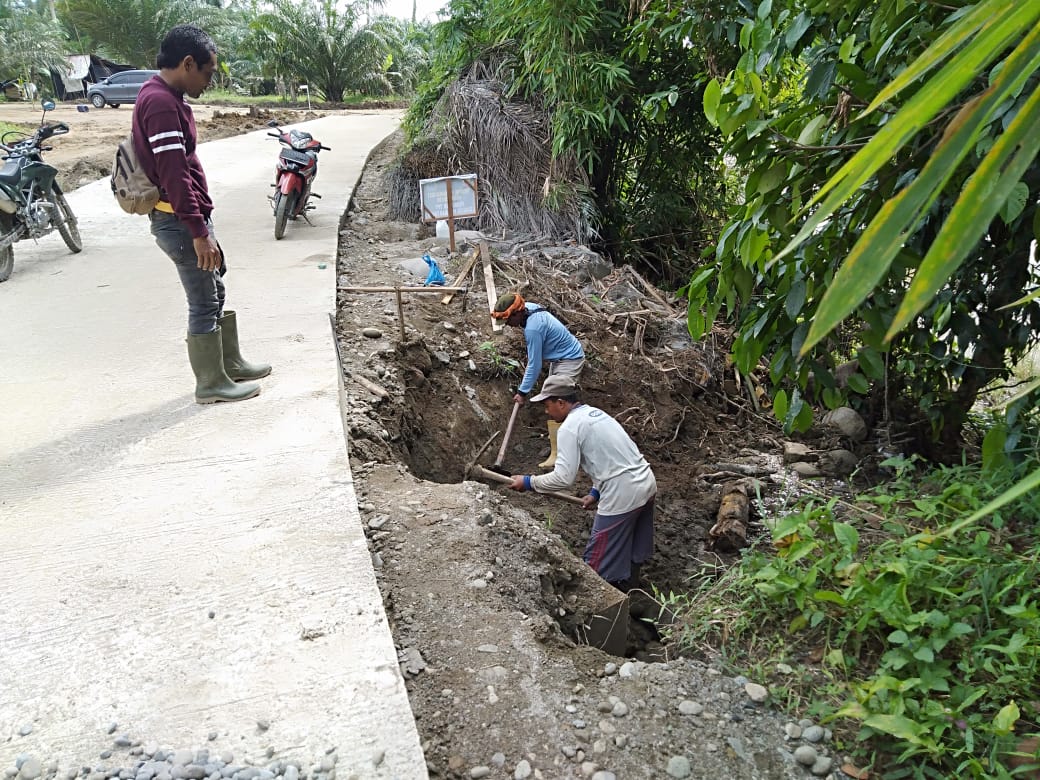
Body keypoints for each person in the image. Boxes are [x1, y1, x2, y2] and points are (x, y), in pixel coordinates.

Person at [133, 24, 270, 404]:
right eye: (208, 72)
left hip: (184, 218)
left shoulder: (164, 96)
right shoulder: (161, 104)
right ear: (188, 63)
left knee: (215, 289)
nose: (209, 82)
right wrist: (198, 231)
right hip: (178, 221)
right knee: (204, 300)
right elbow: (174, 174)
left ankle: (229, 365)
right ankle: (211, 384)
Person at [508, 374, 656, 590]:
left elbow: (563, 478)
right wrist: (595, 493)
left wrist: (529, 482)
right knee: (632, 547)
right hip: (646, 483)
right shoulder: (597, 414)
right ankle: (630, 590)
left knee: (597, 561)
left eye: (548, 406)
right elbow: (613, 458)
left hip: (623, 494)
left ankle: (603, 602)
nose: (546, 412)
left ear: (561, 402)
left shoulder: (569, 427)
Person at [491, 292, 584, 468]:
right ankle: (559, 445)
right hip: (559, 358)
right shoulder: (530, 308)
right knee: (553, 400)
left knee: (558, 403)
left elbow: (534, 364)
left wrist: (522, 392)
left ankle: (563, 454)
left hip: (569, 359)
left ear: (518, 313)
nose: (508, 325)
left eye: (509, 320)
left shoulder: (533, 329)